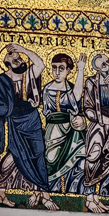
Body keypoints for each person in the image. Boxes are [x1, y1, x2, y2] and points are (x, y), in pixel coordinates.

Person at [0, 45, 54, 208]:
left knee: (39, 154)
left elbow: (40, 64)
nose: (19, 61)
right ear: (7, 63)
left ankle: (45, 195)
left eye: (20, 59)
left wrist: (23, 49)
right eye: (15, 60)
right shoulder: (2, 80)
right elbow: (3, 103)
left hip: (32, 120)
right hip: (16, 122)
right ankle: (1, 192)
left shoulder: (28, 75)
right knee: (14, 154)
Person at [73, 53, 109, 213]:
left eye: (108, 61)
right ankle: (90, 198)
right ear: (97, 69)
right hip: (99, 126)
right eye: (103, 64)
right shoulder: (92, 82)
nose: (108, 64)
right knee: (94, 157)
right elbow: (88, 110)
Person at [39, 51, 84, 195]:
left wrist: (81, 70)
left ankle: (73, 191)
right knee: (50, 159)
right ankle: (48, 193)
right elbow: (46, 113)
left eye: (61, 68)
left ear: (68, 70)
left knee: (82, 155)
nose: (57, 72)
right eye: (54, 67)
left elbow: (76, 97)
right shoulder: (46, 89)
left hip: (70, 131)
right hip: (53, 132)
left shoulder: (71, 88)